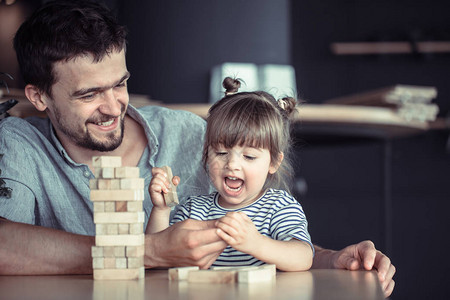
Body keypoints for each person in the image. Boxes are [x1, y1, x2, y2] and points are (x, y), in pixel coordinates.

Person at [0, 0, 395, 297]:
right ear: (38, 96)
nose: (112, 107)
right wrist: (149, 251)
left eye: (119, 84)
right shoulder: (18, 143)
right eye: (88, 94)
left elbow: (271, 236)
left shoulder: (191, 134)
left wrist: (334, 259)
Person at [147, 77, 313, 271]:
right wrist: (161, 210)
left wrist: (256, 243)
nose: (232, 164)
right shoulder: (194, 210)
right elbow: (160, 259)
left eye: (249, 156)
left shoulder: (278, 207)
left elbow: (303, 257)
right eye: (221, 153)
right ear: (207, 154)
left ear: (274, 162)